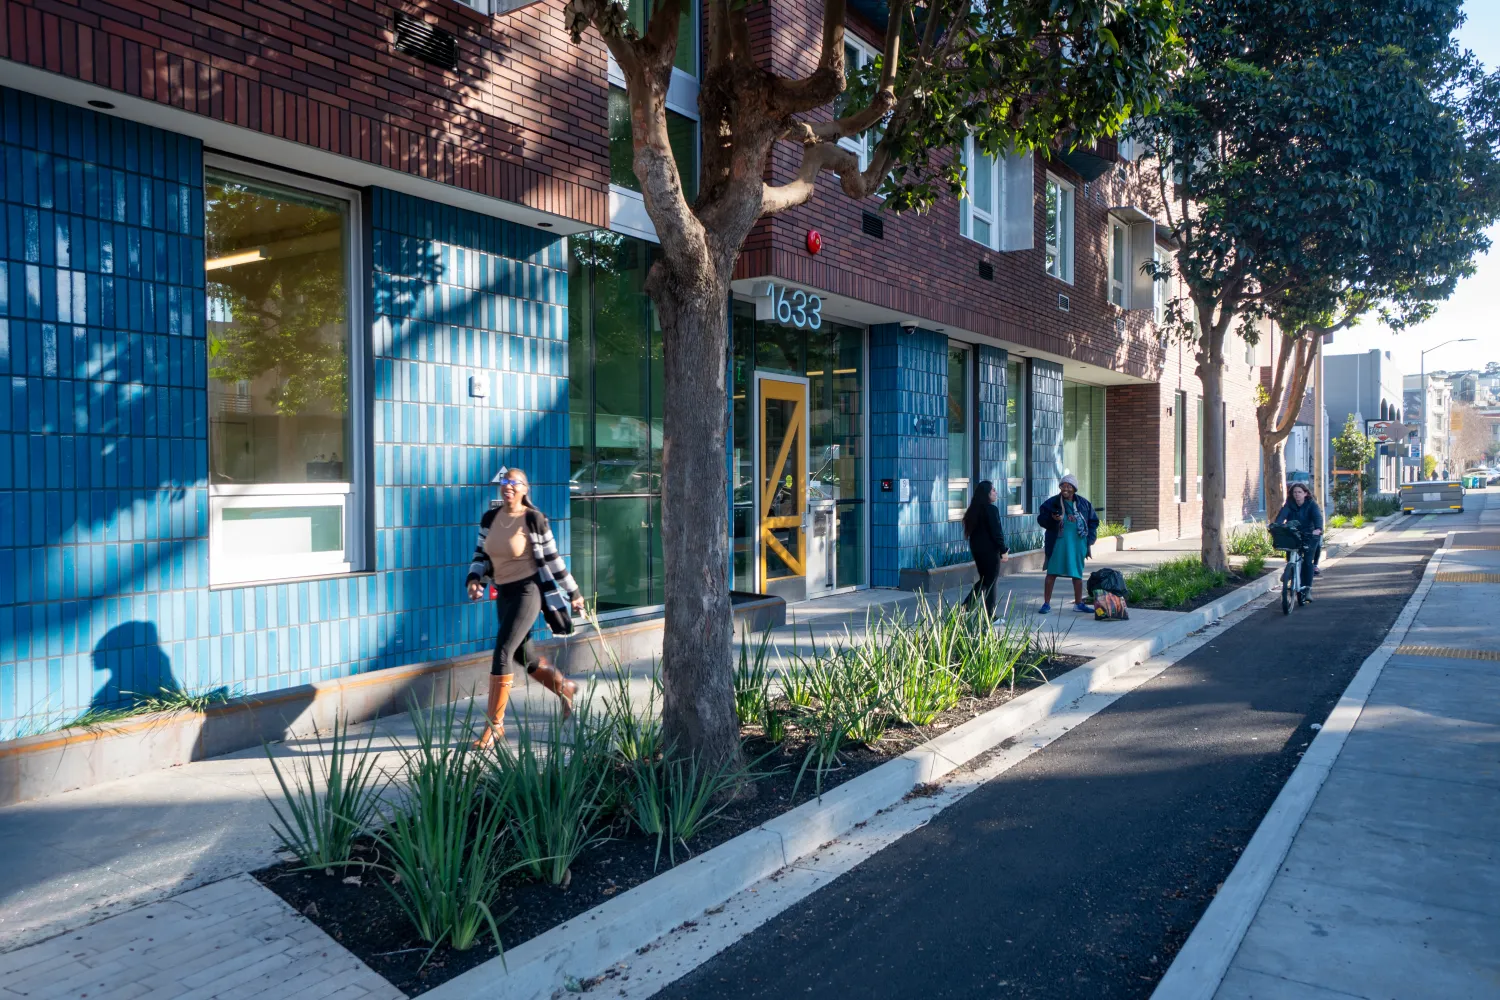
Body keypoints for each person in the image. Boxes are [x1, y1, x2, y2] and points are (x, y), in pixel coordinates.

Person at [465, 467, 586, 748]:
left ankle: (495, 725)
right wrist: (474, 579)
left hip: (528, 591)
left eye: (514, 482)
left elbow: (554, 560)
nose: (507, 486)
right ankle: (564, 687)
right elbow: (482, 554)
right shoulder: (490, 518)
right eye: (504, 482)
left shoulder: (534, 519)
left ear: (524, 489)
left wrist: (574, 593)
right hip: (505, 592)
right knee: (524, 656)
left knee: (503, 651)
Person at [1036, 474, 1099, 614]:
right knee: (1051, 573)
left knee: (1077, 574)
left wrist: (1089, 541)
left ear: (1074, 488)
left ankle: (1078, 604)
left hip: (1077, 545)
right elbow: (1041, 520)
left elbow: (1093, 522)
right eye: (1063, 485)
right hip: (1057, 544)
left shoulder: (1084, 503)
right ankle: (1046, 604)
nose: (1065, 488)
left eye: (1069, 486)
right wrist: (1053, 520)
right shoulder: (1051, 503)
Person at [962, 480, 1008, 616]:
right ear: (986, 493)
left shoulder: (973, 510)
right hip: (989, 551)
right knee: (991, 581)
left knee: (984, 580)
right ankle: (990, 616)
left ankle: (965, 607)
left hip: (977, 550)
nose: (996, 492)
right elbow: (996, 532)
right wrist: (1003, 550)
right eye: (993, 490)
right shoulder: (991, 509)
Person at [1274, 481, 1323, 604]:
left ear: (1305, 493)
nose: (1297, 494)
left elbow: (1318, 519)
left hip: (1309, 534)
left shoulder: (1312, 505)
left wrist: (1318, 529)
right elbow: (1281, 517)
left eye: (1299, 492)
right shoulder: (1289, 504)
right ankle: (1289, 571)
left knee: (1307, 561)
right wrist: (1277, 525)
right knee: (1290, 551)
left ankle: (1307, 589)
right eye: (1294, 492)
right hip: (1294, 533)